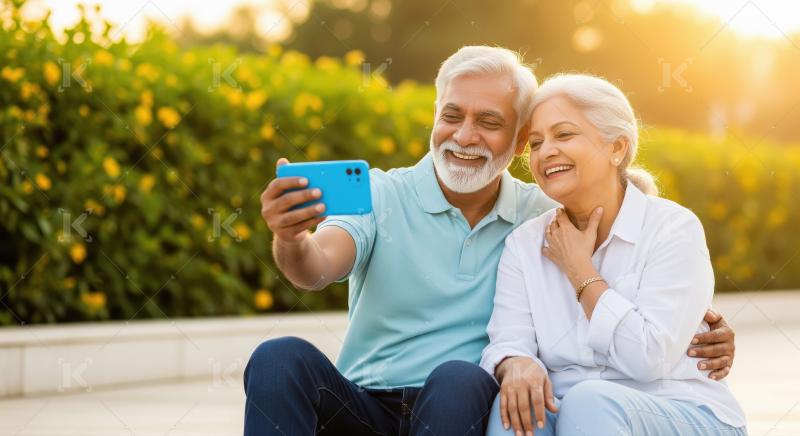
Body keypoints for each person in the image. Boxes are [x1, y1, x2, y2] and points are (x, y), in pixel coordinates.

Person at [245, 46, 738, 435]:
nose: (464, 136)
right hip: (365, 404)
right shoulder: (383, 194)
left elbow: (624, 218)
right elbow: (315, 267)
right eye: (451, 116)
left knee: (459, 377)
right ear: (434, 119)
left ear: (518, 142)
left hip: (457, 404)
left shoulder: (542, 212)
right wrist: (291, 237)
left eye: (489, 122)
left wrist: (698, 324)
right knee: (276, 358)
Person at [482, 73, 746, 436]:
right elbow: (509, 338)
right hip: (570, 411)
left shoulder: (673, 228)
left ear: (617, 148)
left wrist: (580, 271)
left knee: (590, 401)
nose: (546, 152)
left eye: (564, 134)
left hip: (680, 408)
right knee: (515, 405)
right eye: (537, 143)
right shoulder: (524, 244)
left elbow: (648, 359)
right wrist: (515, 363)